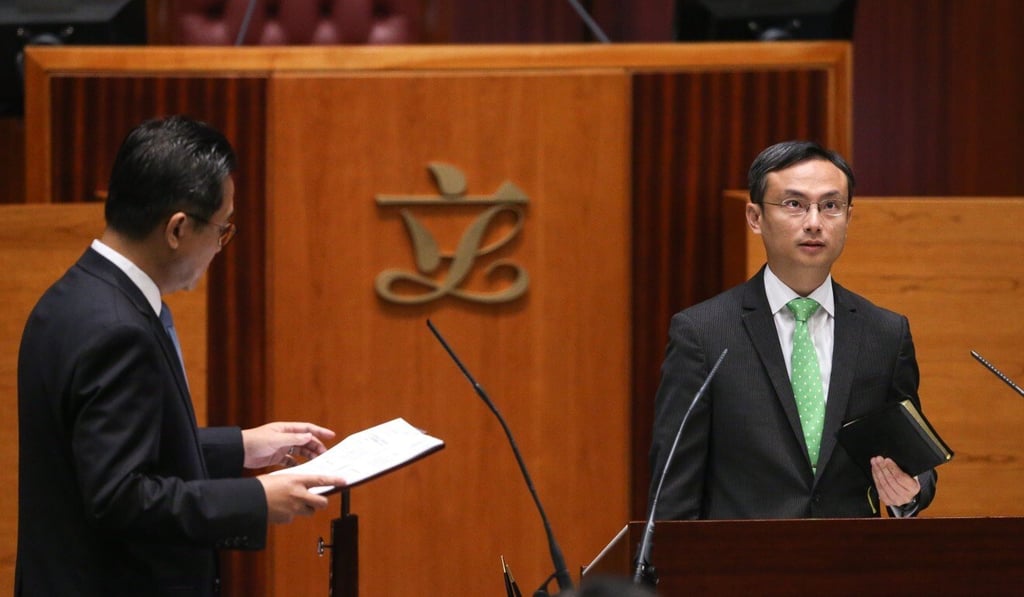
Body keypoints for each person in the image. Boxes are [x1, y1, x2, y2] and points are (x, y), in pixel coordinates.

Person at [16, 115, 346, 595]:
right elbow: (121, 497)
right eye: (221, 229)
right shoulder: (118, 331)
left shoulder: (73, 296)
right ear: (177, 229)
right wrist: (254, 499)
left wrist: (242, 447)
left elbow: (105, 446)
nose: (219, 246)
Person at [647, 140, 937, 520]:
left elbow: (913, 455)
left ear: (849, 217)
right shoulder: (703, 333)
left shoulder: (884, 333)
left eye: (830, 206)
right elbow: (674, 487)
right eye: (794, 204)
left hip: (851, 566)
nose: (814, 222)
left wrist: (909, 492)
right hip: (740, 569)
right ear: (754, 217)